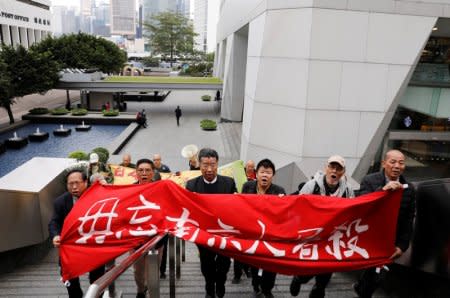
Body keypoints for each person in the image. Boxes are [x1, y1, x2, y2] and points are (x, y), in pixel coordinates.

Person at [290, 155, 355, 298]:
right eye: (332, 167)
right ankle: (299, 279)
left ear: (343, 172)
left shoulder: (347, 190)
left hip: (332, 238)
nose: (334, 171)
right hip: (312, 236)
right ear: (326, 168)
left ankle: (318, 289)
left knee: (325, 271)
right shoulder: (312, 185)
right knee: (309, 268)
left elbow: (352, 212)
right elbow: (298, 207)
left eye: (338, 169)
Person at [353, 149, 415, 298]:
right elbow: (361, 206)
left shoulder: (409, 188)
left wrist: (402, 246)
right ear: (384, 163)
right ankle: (361, 288)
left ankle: (362, 290)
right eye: (392, 162)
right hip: (368, 238)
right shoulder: (369, 180)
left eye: (401, 163)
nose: (397, 166)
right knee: (370, 276)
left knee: (378, 277)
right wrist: (382, 191)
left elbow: (408, 219)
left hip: (389, 243)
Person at [185, 148, 237, 298]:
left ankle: (220, 284)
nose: (209, 169)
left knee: (224, 265)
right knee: (206, 265)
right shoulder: (191, 185)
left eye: (212, 165)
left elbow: (236, 206)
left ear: (217, 164)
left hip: (224, 234)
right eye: (205, 165)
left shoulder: (229, 183)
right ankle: (209, 288)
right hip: (203, 234)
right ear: (199, 165)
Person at [48, 169, 105, 298]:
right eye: (70, 184)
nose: (74, 187)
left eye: (77, 183)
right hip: (71, 247)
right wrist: (56, 235)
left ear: (85, 182)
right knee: (71, 283)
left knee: (96, 281)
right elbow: (54, 222)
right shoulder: (60, 202)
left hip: (93, 246)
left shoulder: (98, 197)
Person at [241, 158, 285, 298]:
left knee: (271, 264)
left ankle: (267, 289)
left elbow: (285, 214)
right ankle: (256, 286)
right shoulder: (247, 187)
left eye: (268, 173)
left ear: (273, 175)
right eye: (262, 172)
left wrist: (283, 202)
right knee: (254, 262)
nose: (265, 175)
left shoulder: (279, 191)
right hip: (253, 232)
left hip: (271, 234)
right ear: (256, 174)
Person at [132, 158, 166, 298]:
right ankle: (141, 290)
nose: (144, 173)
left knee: (153, 272)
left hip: (156, 240)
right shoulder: (129, 191)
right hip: (136, 240)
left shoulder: (162, 190)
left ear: (153, 173)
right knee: (137, 273)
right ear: (136, 173)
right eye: (141, 170)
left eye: (147, 170)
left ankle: (152, 293)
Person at [152, 153, 170, 278]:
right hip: (150, 226)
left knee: (162, 249)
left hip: (162, 226)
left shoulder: (165, 169)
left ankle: (161, 270)